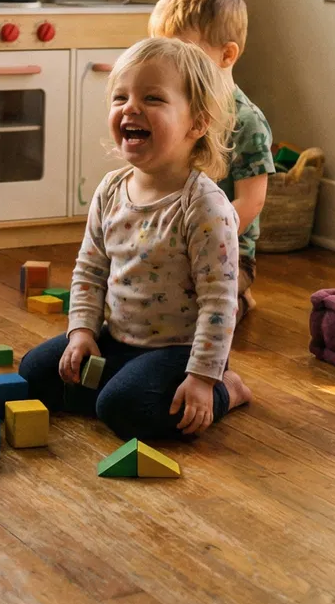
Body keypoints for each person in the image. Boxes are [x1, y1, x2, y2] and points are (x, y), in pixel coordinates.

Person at [16, 37, 253, 440]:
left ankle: (228, 390)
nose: (130, 108)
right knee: (33, 373)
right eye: (120, 97)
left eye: (153, 98)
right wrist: (83, 333)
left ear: (196, 123)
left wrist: (202, 377)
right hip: (118, 337)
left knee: (125, 410)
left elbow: (220, 302)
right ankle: (117, 386)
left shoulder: (204, 206)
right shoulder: (110, 190)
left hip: (180, 350)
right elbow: (90, 271)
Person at [148, 0, 275, 320]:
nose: (171, 65)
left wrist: (206, 239)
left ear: (226, 54)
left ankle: (238, 296)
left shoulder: (246, 121)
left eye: (183, 53)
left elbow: (253, 200)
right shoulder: (179, 111)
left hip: (228, 252)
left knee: (187, 301)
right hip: (177, 242)